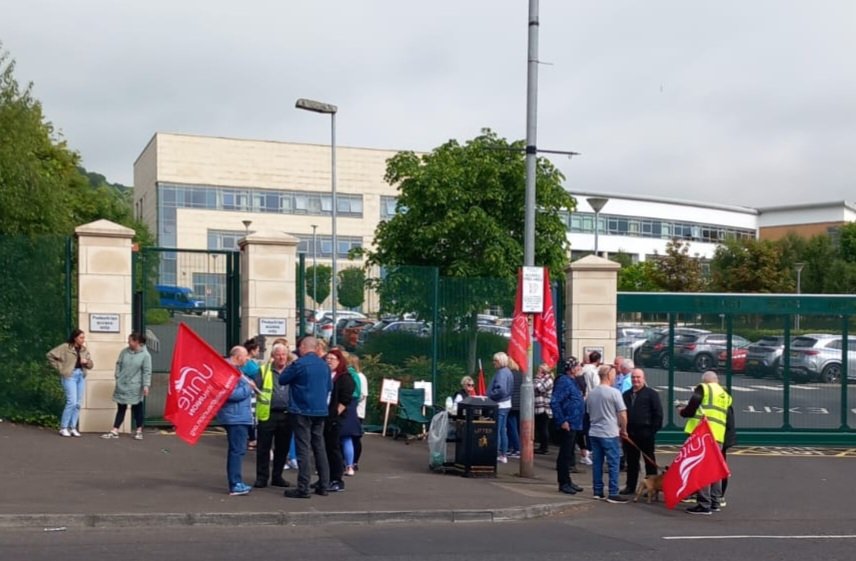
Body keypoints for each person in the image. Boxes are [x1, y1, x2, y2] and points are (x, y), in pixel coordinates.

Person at [278, 336, 333, 499]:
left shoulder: (299, 364)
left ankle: (303, 487)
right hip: (320, 410)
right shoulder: (324, 365)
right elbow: (329, 387)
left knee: (303, 448)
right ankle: (324, 484)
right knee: (319, 446)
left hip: (302, 410)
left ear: (303, 347)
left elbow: (282, 379)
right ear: (316, 348)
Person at [679, 370, 733, 515]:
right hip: (718, 435)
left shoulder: (704, 388)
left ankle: (704, 504)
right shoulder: (725, 395)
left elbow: (692, 407)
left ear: (705, 380)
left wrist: (682, 411)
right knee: (714, 469)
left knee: (702, 469)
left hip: (703, 434)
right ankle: (715, 502)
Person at [216, 345, 256, 496]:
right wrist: (248, 388)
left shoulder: (235, 370)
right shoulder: (228, 370)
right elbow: (229, 394)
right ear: (238, 356)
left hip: (237, 416)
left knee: (238, 450)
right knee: (237, 450)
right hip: (235, 417)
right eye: (245, 356)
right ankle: (235, 483)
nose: (247, 359)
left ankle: (236, 482)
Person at [586, 364, 629, 503]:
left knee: (597, 463)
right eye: (615, 375)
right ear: (609, 376)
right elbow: (622, 414)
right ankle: (613, 492)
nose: (616, 377)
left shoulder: (591, 393)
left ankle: (598, 491)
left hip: (594, 432)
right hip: (610, 432)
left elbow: (588, 412)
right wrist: (624, 429)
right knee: (613, 463)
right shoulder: (614, 393)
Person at [253, 343, 293, 488]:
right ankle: (262, 478)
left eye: (283, 354)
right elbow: (255, 387)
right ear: (273, 356)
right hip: (268, 414)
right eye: (278, 354)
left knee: (282, 448)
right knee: (263, 448)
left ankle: (278, 476)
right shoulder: (264, 370)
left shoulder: (292, 370)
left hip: (287, 415)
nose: (281, 357)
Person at [619, 368, 663, 495]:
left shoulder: (651, 394)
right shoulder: (626, 395)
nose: (635, 380)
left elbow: (658, 414)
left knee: (649, 461)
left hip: (646, 433)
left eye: (638, 377)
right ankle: (630, 486)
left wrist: (652, 431)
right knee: (632, 462)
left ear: (643, 379)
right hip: (629, 434)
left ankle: (652, 488)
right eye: (633, 377)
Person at [101, 332, 152, 440]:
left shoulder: (145, 355)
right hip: (122, 384)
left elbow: (146, 371)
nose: (128, 342)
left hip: (135, 386)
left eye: (130, 340)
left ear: (136, 342)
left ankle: (139, 430)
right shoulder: (124, 352)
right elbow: (118, 363)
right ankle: (115, 430)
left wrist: (146, 385)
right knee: (121, 407)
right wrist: (117, 376)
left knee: (137, 407)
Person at [47, 329, 93, 437]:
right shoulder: (65, 347)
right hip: (69, 376)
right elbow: (50, 355)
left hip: (80, 375)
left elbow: (91, 365)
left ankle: (73, 427)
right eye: (81, 337)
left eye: (83, 337)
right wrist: (61, 368)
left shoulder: (84, 350)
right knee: (71, 401)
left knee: (78, 403)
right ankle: (63, 427)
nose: (83, 340)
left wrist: (86, 362)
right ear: (75, 338)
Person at [550, 357, 585, 495]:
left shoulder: (572, 381)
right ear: (571, 368)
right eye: (577, 366)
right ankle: (563, 482)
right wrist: (562, 420)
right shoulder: (564, 381)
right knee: (565, 454)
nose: (579, 369)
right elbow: (555, 402)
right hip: (568, 423)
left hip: (575, 422)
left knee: (570, 454)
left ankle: (568, 480)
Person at [323, 348, 355, 491]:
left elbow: (345, 399)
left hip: (334, 418)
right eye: (327, 358)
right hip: (323, 415)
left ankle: (336, 479)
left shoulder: (344, 377)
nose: (329, 361)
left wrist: (334, 415)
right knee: (323, 449)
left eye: (332, 359)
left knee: (334, 448)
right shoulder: (326, 375)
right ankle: (325, 478)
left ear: (339, 361)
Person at [339, 350, 363, 477]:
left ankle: (341, 465)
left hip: (343, 406)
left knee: (337, 438)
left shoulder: (344, 375)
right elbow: (359, 394)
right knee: (347, 438)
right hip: (353, 406)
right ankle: (350, 466)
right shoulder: (357, 375)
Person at [487, 351, 513, 464]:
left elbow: (501, 390)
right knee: (503, 430)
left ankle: (496, 453)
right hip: (506, 403)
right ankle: (503, 454)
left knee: (497, 430)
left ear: (500, 361)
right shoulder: (508, 372)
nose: (494, 363)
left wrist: (491, 395)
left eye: (495, 361)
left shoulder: (501, 373)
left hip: (500, 404)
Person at [349, 354, 369, 471]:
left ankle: (355, 461)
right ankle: (350, 460)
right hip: (353, 410)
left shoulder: (360, 377)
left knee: (355, 437)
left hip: (358, 411)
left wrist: (352, 403)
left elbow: (362, 394)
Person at [242, 338, 262, 451]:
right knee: (252, 416)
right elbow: (258, 377)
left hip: (248, 392)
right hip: (251, 392)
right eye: (257, 350)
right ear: (252, 351)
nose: (258, 352)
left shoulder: (247, 363)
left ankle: (251, 438)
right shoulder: (250, 365)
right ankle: (252, 438)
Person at [533, 364, 554, 455]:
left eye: (540, 370)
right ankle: (541, 446)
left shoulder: (549, 379)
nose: (538, 372)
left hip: (545, 407)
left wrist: (537, 378)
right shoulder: (541, 379)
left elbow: (539, 388)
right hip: (538, 407)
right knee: (540, 428)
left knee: (543, 428)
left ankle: (544, 447)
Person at [507, 358, 523, 458]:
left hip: (511, 404)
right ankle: (512, 448)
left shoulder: (509, 375)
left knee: (511, 427)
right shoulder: (521, 375)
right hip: (520, 404)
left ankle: (516, 448)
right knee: (516, 427)